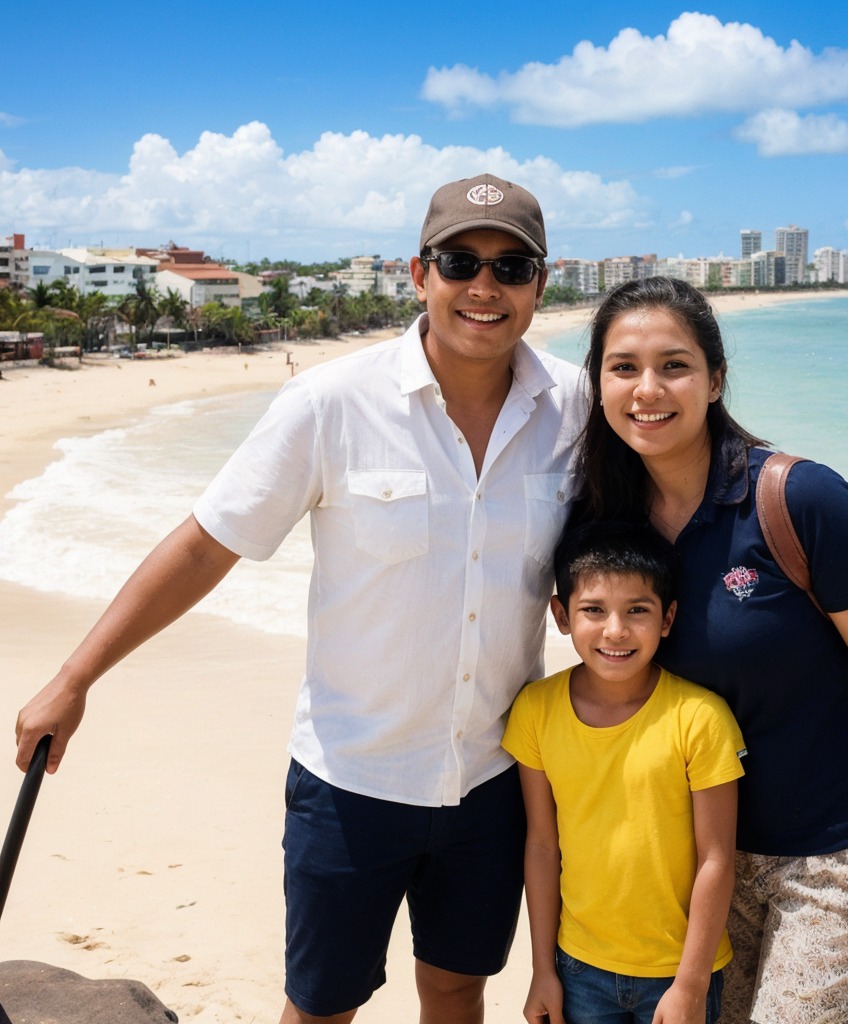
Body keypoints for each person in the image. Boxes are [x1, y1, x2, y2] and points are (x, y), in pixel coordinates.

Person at [14, 173, 585, 1024]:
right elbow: (208, 542)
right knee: (321, 1006)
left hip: (497, 780)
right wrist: (76, 676)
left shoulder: (574, 406)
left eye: (512, 266)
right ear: (418, 273)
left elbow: (628, 545)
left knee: (459, 992)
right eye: (461, 261)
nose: (484, 287)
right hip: (350, 781)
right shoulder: (330, 402)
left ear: (542, 282)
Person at [568, 276, 848, 1024]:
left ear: (715, 379)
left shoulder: (800, 499)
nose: (648, 389)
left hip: (831, 856)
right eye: (623, 367)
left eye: (674, 364)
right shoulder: (606, 522)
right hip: (694, 865)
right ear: (598, 384)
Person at [503, 524, 746, 1024]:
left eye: (637, 610)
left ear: (667, 618)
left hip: (678, 973)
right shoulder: (535, 710)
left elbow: (716, 860)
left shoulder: (700, 718)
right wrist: (541, 969)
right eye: (593, 610)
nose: (615, 630)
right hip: (577, 967)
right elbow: (543, 846)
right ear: (561, 615)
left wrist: (691, 984)